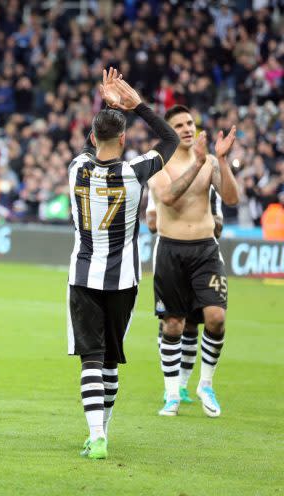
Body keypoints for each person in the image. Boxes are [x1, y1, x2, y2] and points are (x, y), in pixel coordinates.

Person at [66, 68, 179, 459]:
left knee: (90, 358)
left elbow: (91, 142)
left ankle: (96, 434)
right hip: (123, 280)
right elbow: (171, 138)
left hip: (82, 275)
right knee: (111, 358)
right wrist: (136, 106)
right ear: (125, 138)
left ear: (94, 137)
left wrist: (106, 107)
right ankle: (103, 432)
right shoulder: (135, 173)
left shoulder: (76, 168)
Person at [150, 104, 238, 418]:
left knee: (216, 318)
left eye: (190, 123)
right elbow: (169, 198)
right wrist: (197, 163)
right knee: (173, 324)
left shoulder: (210, 161)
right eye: (180, 125)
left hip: (205, 250)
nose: (188, 128)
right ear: (168, 132)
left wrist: (222, 162)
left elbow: (231, 199)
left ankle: (206, 384)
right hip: (170, 250)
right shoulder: (157, 163)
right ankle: (172, 393)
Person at [147, 185, 224, 405]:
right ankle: (169, 388)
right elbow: (152, 224)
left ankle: (181, 386)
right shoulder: (162, 182)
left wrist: (199, 215)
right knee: (170, 322)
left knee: (192, 324)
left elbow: (218, 227)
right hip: (169, 259)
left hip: (202, 258)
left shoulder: (209, 188)